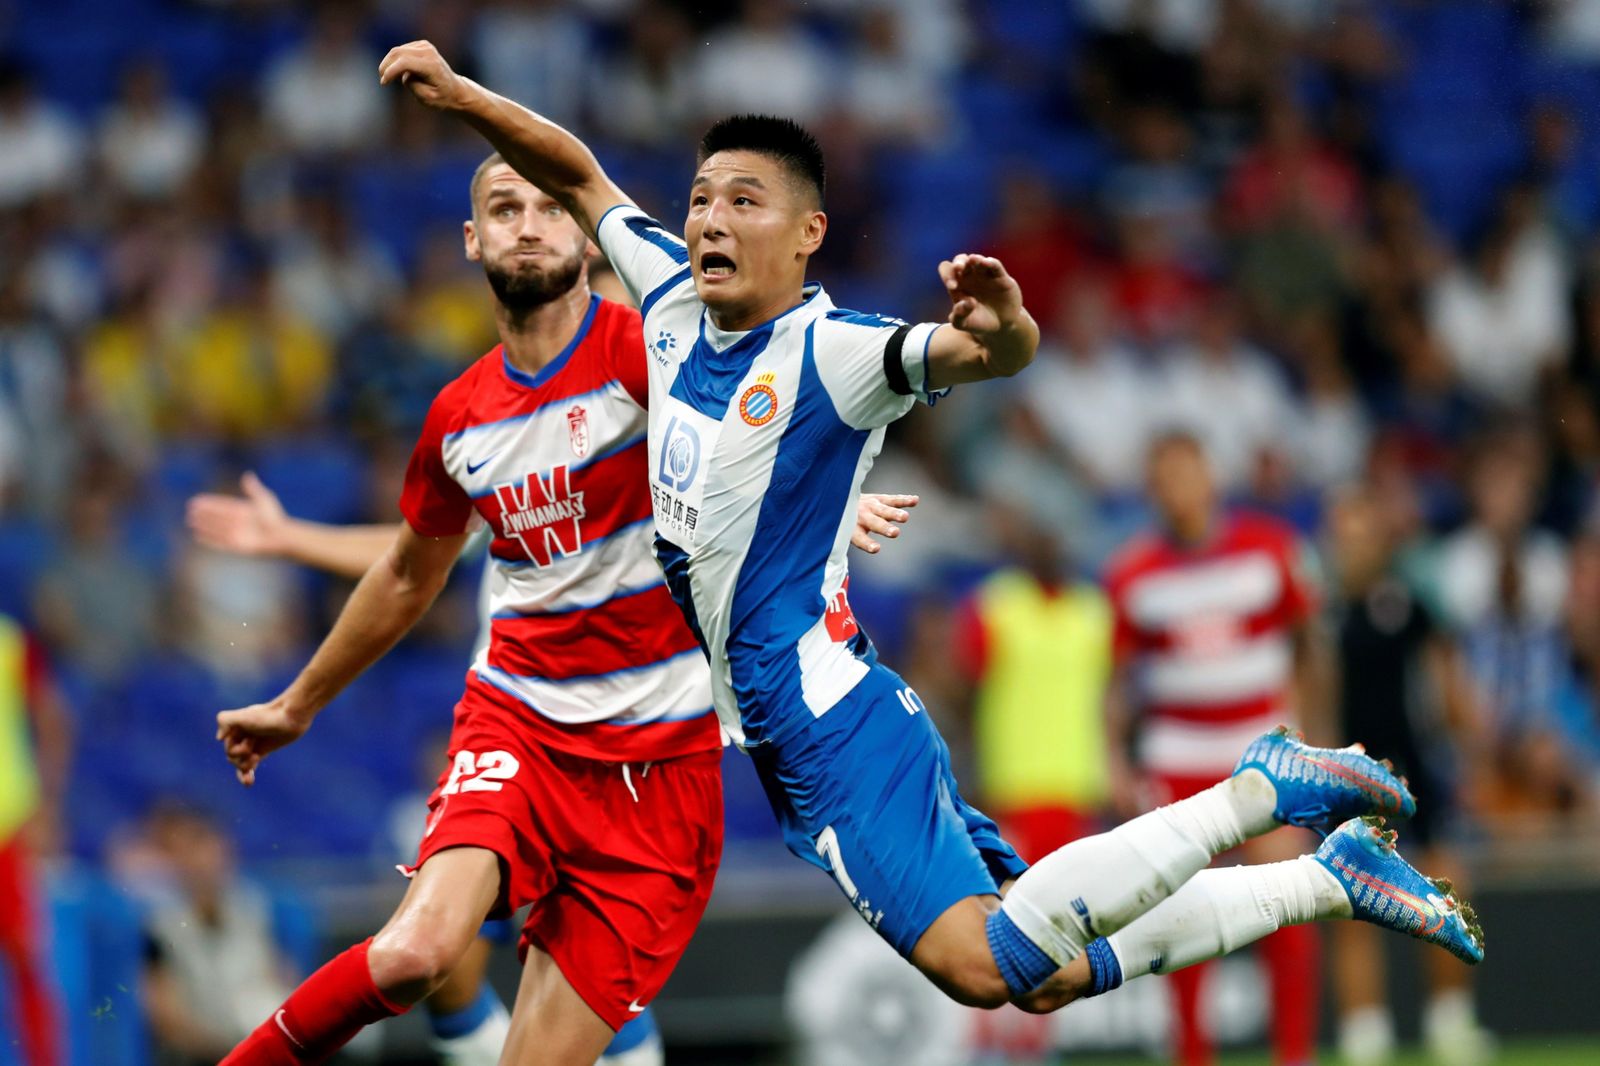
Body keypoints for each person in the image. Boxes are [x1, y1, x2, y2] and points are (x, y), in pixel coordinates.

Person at [370, 38, 1483, 1041]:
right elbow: (576, 171)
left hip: (821, 717)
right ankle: (1326, 878)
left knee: (988, 965)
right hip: (801, 719)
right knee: (1037, 970)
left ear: (807, 233)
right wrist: (464, 96)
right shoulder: (662, 295)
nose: (708, 218)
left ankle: (1258, 793)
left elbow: (988, 356)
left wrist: (1002, 322)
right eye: (702, 197)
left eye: (743, 201)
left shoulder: (835, 351)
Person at [209, 150, 916, 1066]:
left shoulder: (646, 353)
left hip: (660, 773)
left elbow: (763, 422)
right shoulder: (459, 417)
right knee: (419, 954)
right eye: (505, 209)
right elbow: (405, 573)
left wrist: (820, 499)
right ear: (473, 240)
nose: (530, 224)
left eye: (549, 207)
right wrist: (295, 703)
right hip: (521, 727)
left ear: (587, 235)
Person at [1102, 430, 1325, 1066]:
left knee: (1289, 902)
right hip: (1178, 758)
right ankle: (1192, 1054)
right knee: (1181, 916)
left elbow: (1311, 646)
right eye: (1162, 478)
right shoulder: (1133, 574)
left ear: (1210, 476)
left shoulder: (1271, 550)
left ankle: (1295, 1053)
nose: (1176, 489)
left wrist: (1309, 732)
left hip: (1264, 752)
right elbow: (1117, 684)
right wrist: (1116, 759)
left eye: (1184, 473)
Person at [1324, 486, 1496, 1066]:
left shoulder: (1407, 601)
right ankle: (1364, 1034)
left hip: (1412, 769)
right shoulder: (1323, 613)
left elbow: (1445, 676)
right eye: (1343, 536)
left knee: (1446, 887)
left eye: (1362, 535)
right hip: (1345, 774)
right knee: (1351, 907)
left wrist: (1466, 744)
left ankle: (1450, 1025)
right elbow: (1315, 694)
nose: (1352, 547)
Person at [0, 611, 71, 1066]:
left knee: (27, 960)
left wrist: (48, 805)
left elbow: (52, 717)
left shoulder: (7, 641)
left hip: (8, 828)